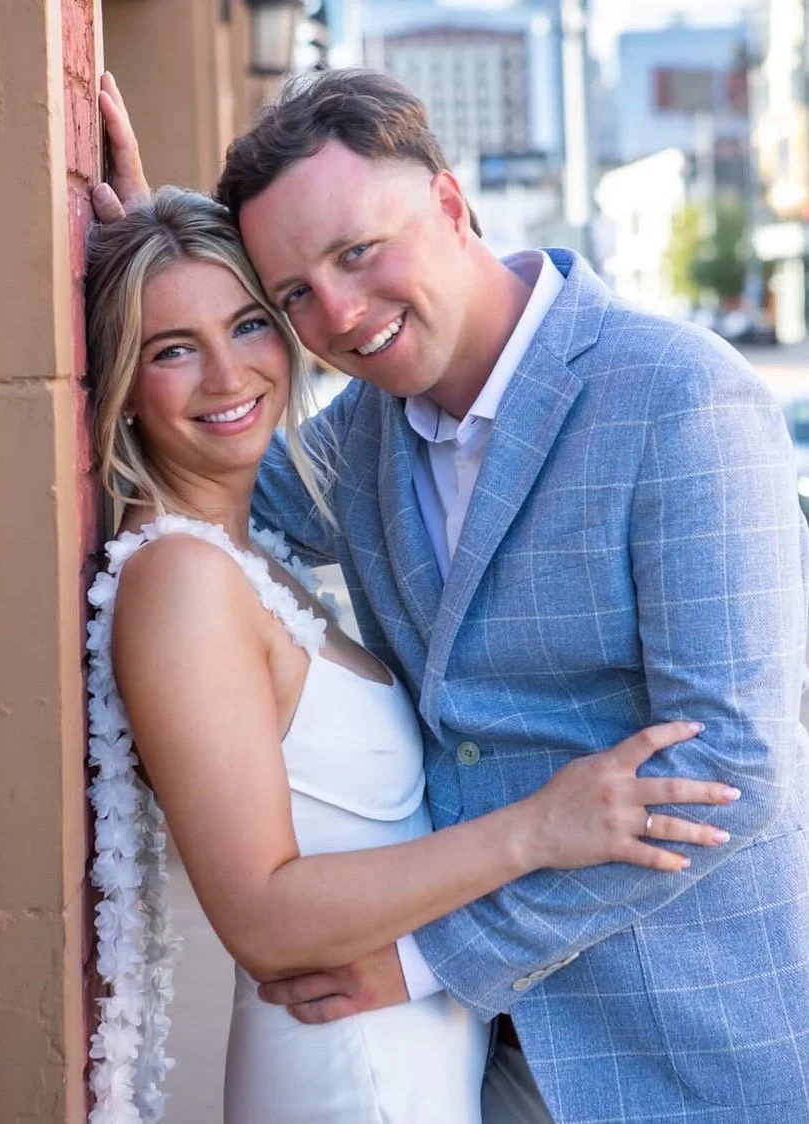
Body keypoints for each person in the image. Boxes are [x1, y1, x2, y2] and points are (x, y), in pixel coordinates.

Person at [93, 69, 809, 1123]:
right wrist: (157, 267)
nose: (338, 313)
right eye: (291, 293)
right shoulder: (369, 431)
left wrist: (431, 956)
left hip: (677, 1049)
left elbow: (736, 772)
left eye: (358, 252)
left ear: (448, 200)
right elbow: (214, 472)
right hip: (465, 1065)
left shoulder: (679, 397)